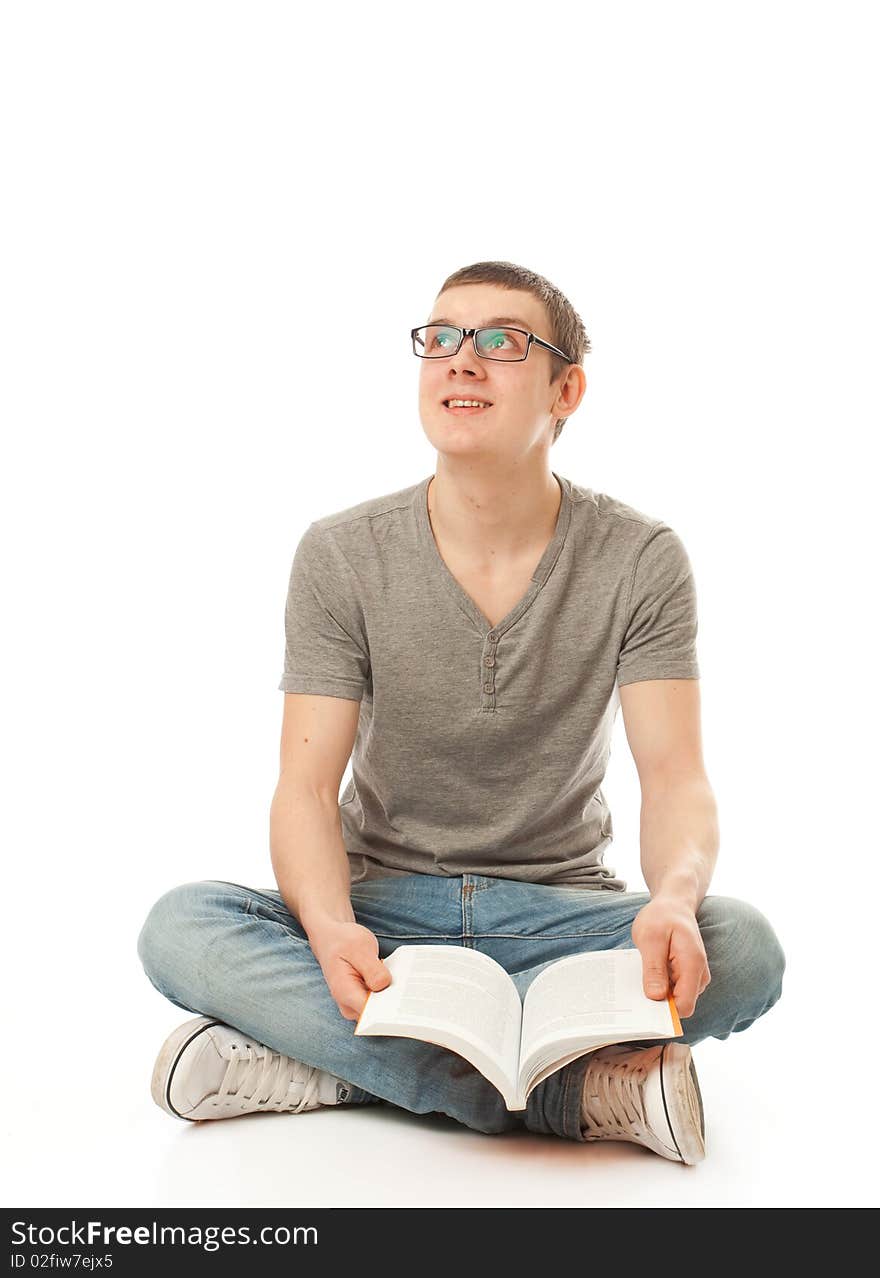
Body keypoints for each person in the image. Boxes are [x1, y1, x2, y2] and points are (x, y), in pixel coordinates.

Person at [137, 260, 785, 1166]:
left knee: (744, 948)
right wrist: (328, 930)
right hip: (384, 915)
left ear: (569, 390)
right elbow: (303, 789)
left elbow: (675, 775)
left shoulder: (640, 557)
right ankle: (573, 1095)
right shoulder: (342, 553)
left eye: (501, 342)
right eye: (440, 338)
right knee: (181, 926)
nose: (461, 361)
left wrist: (672, 902)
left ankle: (333, 1064)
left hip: (559, 919)